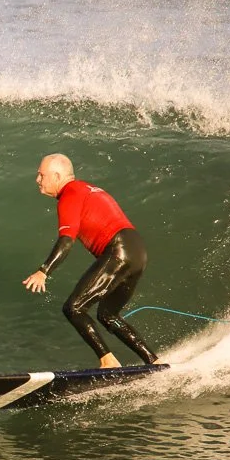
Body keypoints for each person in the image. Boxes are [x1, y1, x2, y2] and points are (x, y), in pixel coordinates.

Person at [22, 154, 160, 368]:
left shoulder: (70, 194)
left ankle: (108, 361)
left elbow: (66, 241)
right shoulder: (86, 189)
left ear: (57, 176)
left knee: (73, 308)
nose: (37, 179)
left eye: (41, 175)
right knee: (107, 315)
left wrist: (44, 271)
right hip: (137, 250)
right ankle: (154, 361)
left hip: (118, 249)